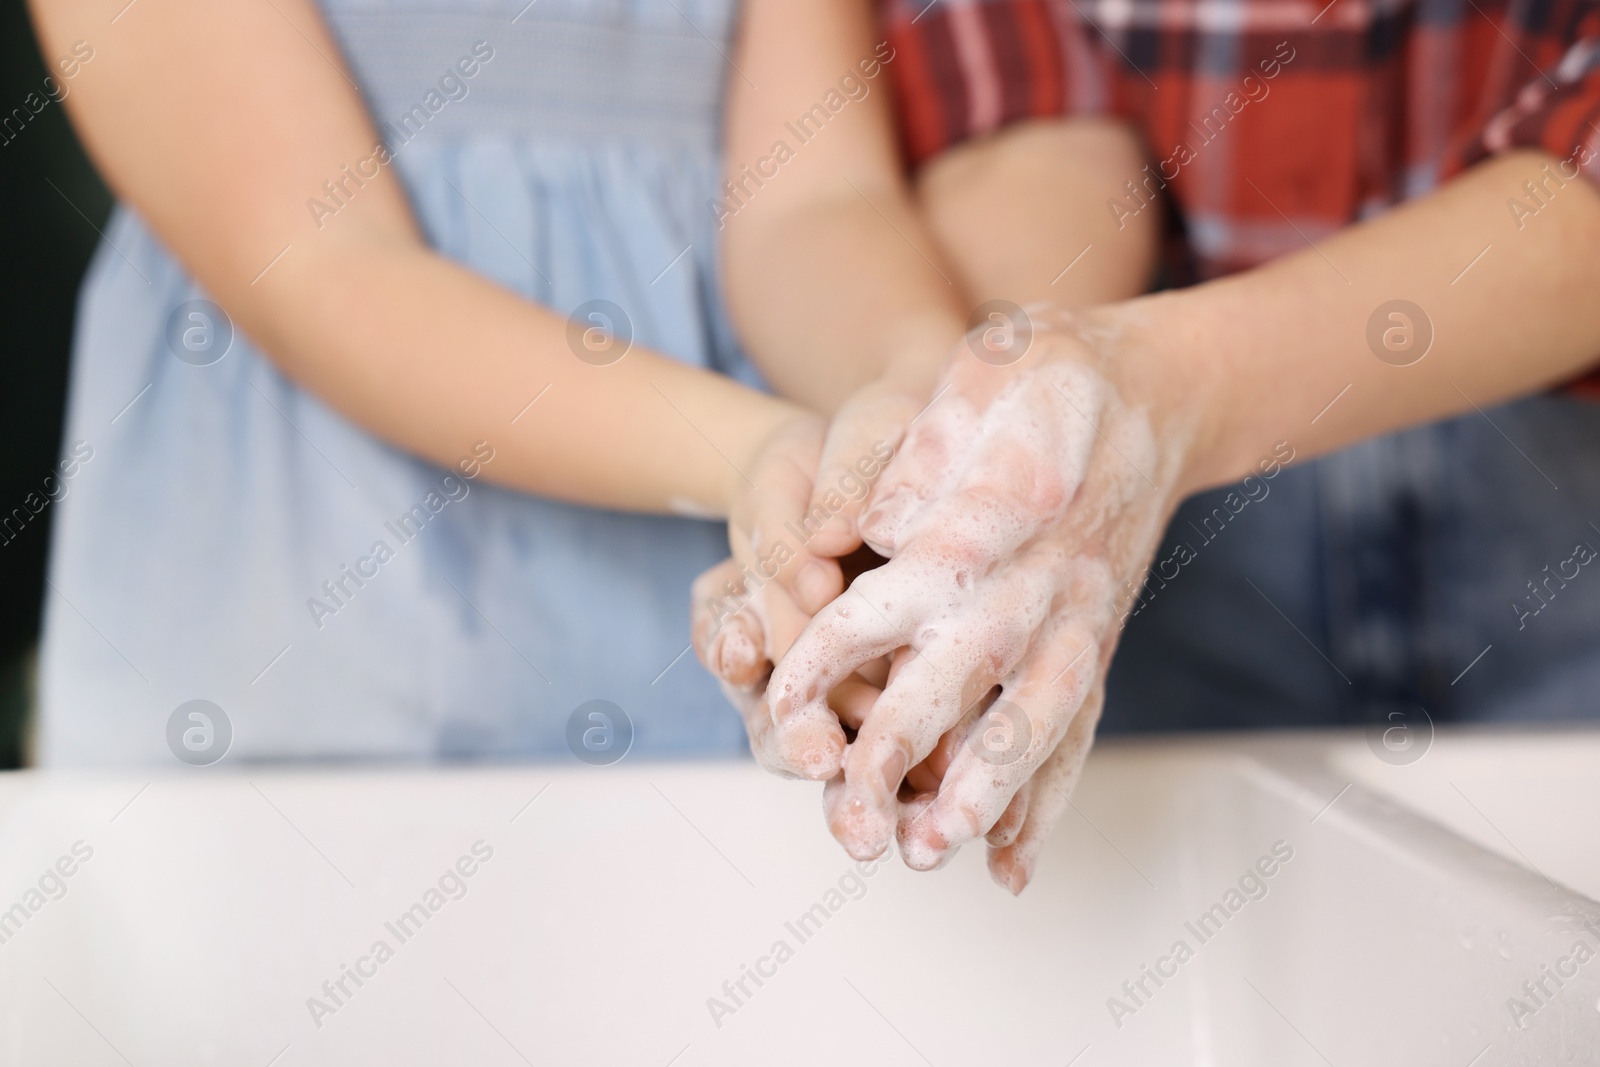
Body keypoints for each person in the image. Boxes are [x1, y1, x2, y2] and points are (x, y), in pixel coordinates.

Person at [695, 0, 1600, 892]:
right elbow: (1032, 126)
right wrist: (980, 430)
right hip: (1175, 531)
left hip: (1551, 440)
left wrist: (1168, 386)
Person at [28, 0, 873, 765]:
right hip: (299, 631)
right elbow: (321, 261)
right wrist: (758, 452)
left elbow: (818, 203)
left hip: (715, 651)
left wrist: (922, 421)